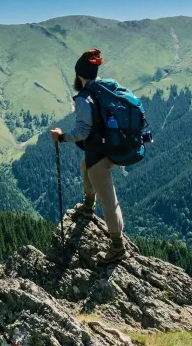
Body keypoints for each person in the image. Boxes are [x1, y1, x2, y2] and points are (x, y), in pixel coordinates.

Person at [49, 48, 128, 264]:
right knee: (85, 165)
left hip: (100, 155)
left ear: (79, 75)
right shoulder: (105, 88)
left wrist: (61, 137)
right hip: (112, 147)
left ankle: (117, 247)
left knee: (109, 200)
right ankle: (88, 205)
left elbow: (83, 131)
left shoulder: (85, 98)